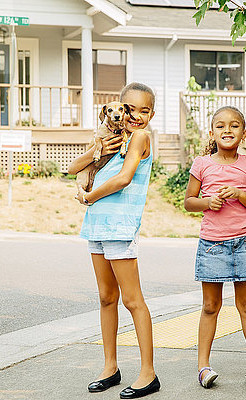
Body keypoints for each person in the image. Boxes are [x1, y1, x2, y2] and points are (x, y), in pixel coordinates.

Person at [67, 82, 160, 399]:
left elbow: (124, 178)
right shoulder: (110, 138)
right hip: (97, 226)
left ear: (151, 114)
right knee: (107, 298)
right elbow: (72, 168)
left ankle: (148, 373)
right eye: (129, 109)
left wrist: (89, 195)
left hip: (120, 226)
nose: (135, 116)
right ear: (119, 110)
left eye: (143, 111)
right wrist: (96, 152)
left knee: (133, 300)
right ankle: (110, 367)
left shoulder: (141, 138)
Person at [184, 105, 246, 389]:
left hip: (244, 243)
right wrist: (208, 202)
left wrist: (240, 195)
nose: (227, 130)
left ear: (244, 133)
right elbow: (189, 202)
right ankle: (203, 368)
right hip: (212, 246)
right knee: (210, 306)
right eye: (220, 126)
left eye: (234, 126)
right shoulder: (202, 164)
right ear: (212, 132)